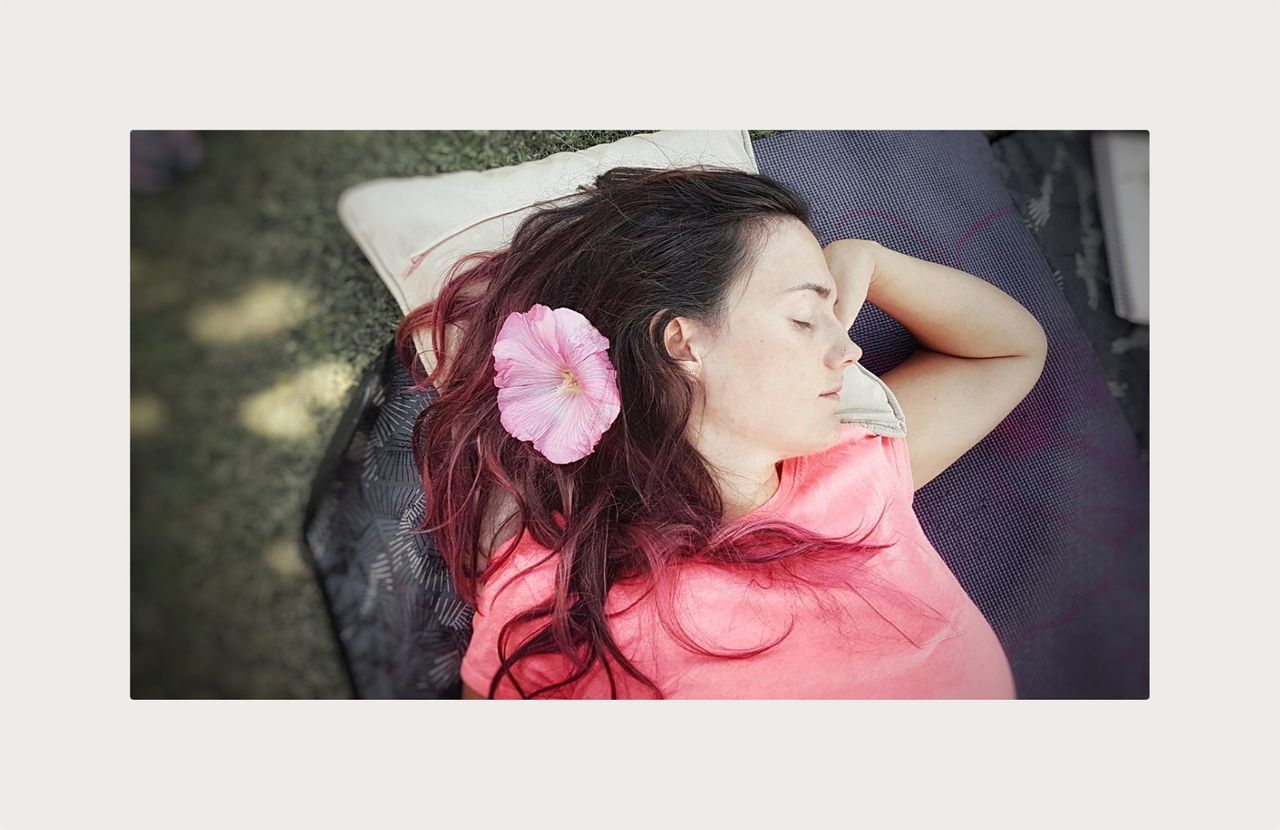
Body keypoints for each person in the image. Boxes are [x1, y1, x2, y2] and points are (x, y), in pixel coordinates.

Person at [394, 166, 1047, 699]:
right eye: (802, 318)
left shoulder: (854, 462)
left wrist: (868, 262)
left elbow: (1009, 354)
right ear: (682, 341)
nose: (846, 350)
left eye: (833, 316)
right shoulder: (563, 597)